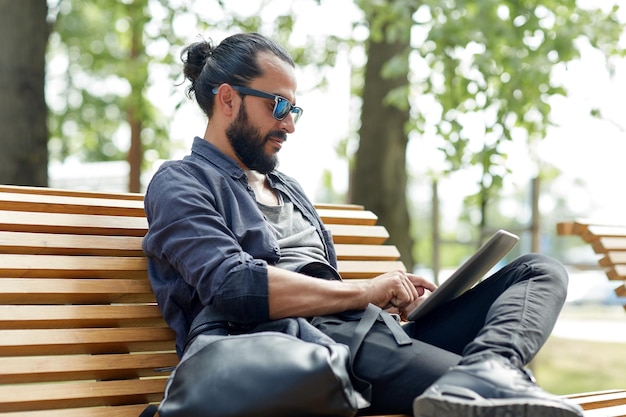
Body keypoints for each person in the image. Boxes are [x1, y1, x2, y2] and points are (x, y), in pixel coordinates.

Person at [142, 32, 583, 417]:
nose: (290, 124)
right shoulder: (180, 182)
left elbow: (326, 286)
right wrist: (364, 291)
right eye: (278, 106)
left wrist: (384, 299)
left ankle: (491, 365)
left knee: (538, 271)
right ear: (227, 98)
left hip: (361, 333)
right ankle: (481, 380)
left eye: (295, 109)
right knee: (507, 407)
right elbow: (233, 287)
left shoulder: (288, 187)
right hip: (286, 345)